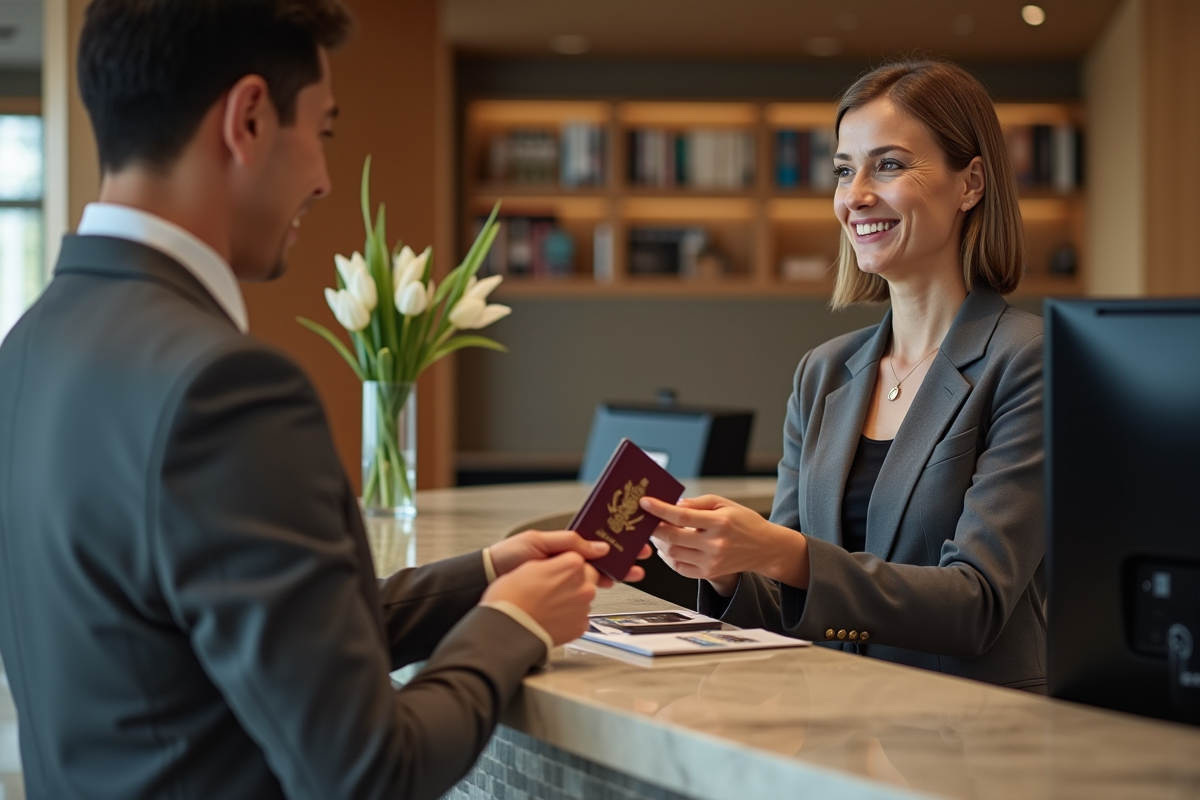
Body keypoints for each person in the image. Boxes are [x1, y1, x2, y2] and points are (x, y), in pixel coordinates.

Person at [0, 2, 646, 798]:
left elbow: (247, 630)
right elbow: (370, 771)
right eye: (323, 130)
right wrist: (511, 625)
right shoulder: (225, 387)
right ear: (248, 117)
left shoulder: (29, 345)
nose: (324, 176)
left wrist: (483, 576)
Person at [642, 59, 1046, 691]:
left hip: (971, 749)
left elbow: (977, 605)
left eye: (888, 164)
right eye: (843, 169)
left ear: (970, 183)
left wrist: (780, 551)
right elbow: (785, 608)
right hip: (834, 731)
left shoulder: (1028, 359)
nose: (855, 196)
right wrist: (726, 568)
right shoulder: (823, 373)